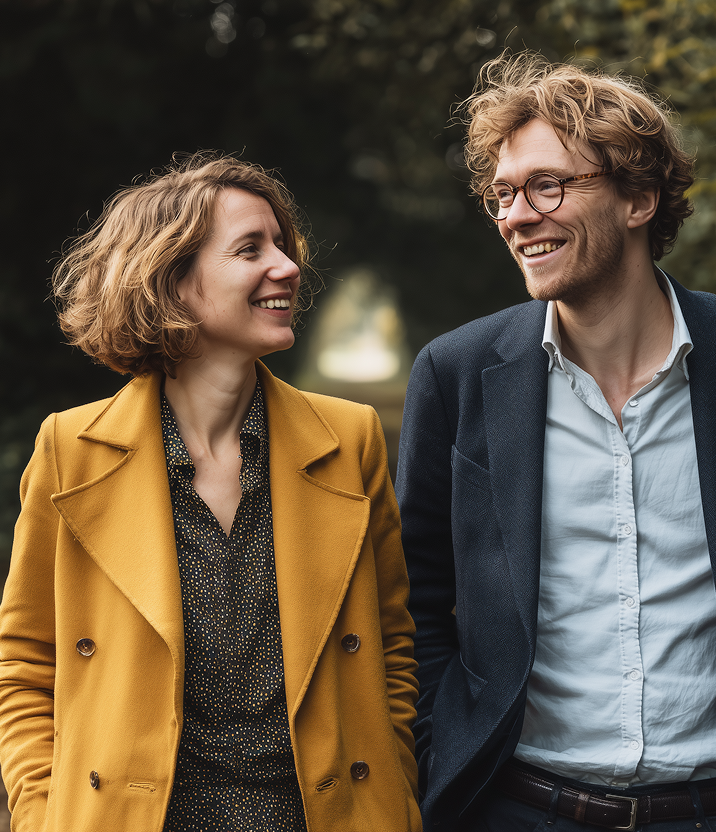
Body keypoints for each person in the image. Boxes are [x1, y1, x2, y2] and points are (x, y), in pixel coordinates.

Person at [0, 153, 421, 832]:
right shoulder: (70, 452)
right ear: (171, 282)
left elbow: (392, 644)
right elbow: (25, 665)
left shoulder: (351, 441)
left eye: (282, 246)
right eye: (251, 249)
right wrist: (45, 813)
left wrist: (391, 788)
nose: (286, 267)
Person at [396, 51, 716, 832]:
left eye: (548, 186)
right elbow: (413, 597)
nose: (516, 216)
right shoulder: (457, 372)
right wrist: (447, 753)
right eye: (502, 194)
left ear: (639, 199)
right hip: (518, 808)